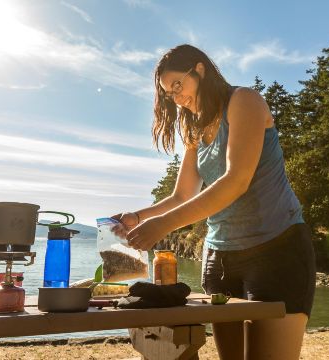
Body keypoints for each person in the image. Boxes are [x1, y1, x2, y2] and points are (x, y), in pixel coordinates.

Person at [112, 44, 315, 360]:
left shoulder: (243, 101)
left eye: (178, 85)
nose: (177, 98)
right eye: (169, 94)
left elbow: (236, 180)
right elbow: (182, 195)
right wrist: (136, 218)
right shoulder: (194, 129)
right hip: (220, 262)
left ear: (200, 70)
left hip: (277, 253)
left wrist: (164, 224)